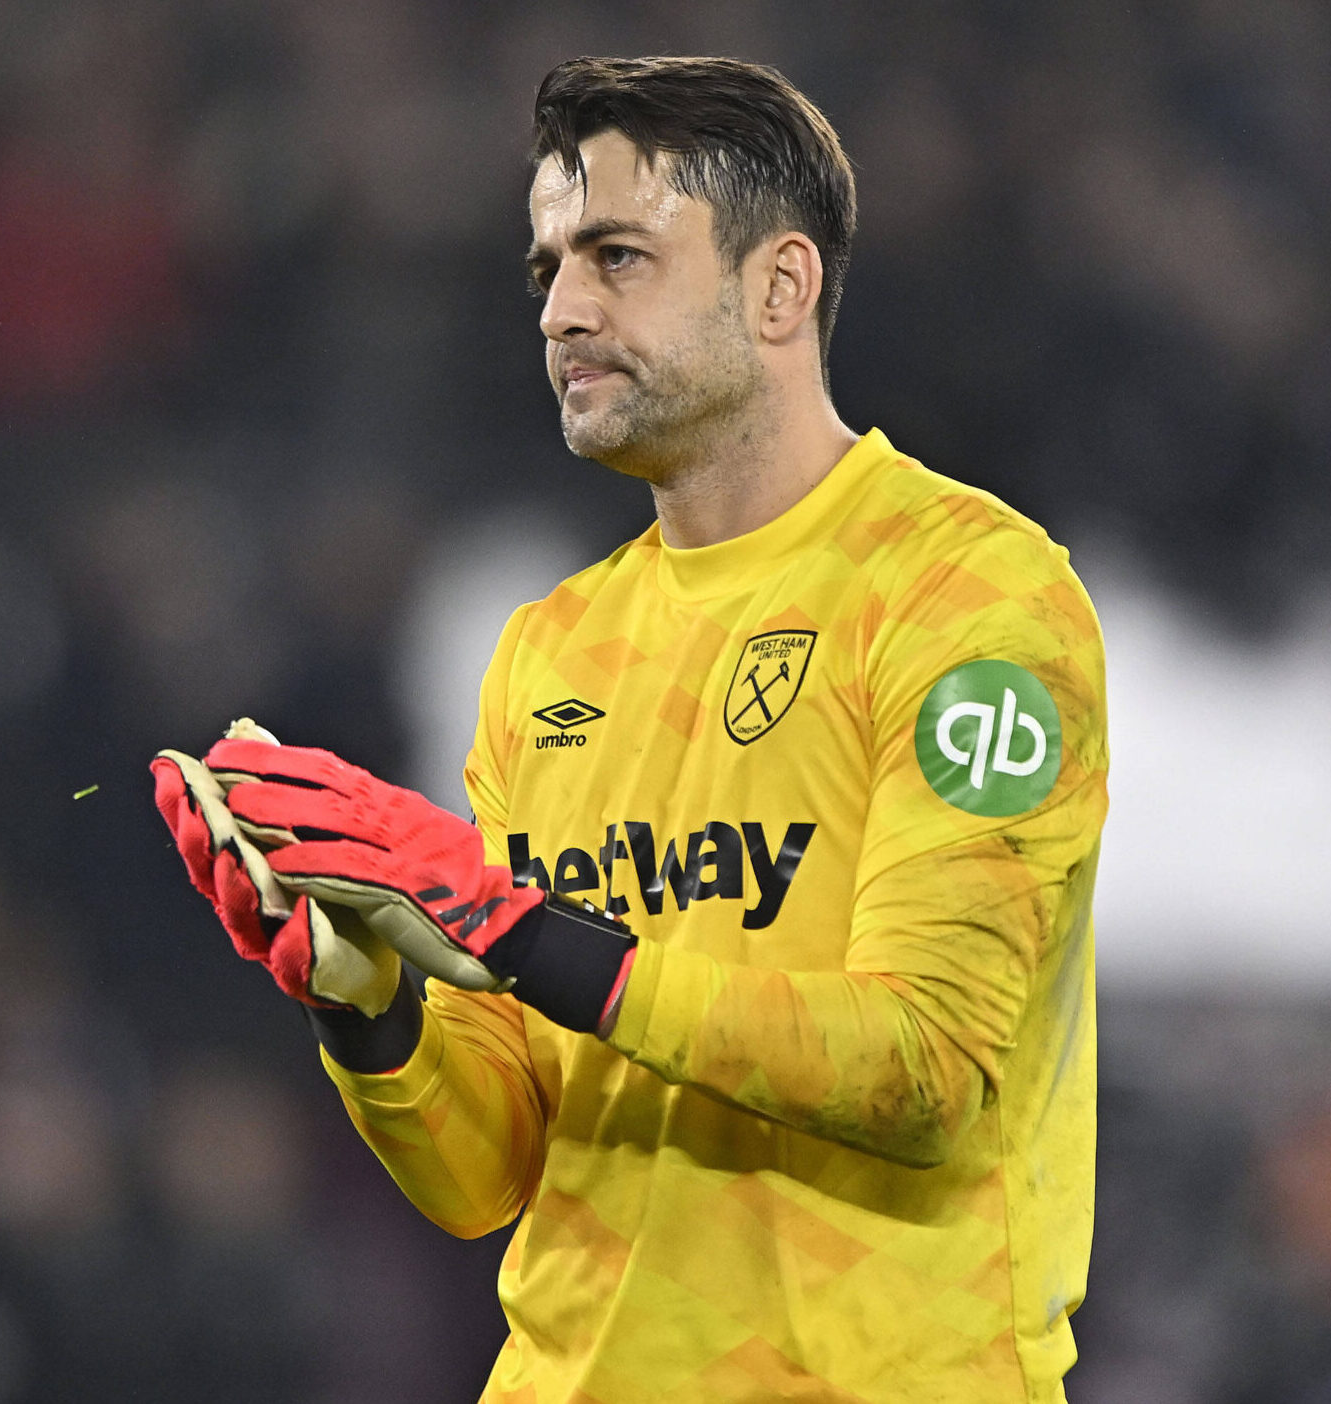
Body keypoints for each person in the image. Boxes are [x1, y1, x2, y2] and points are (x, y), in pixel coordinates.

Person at [151, 56, 1110, 1403]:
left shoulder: (972, 598)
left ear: (780, 287)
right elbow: (490, 1173)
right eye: (546, 265)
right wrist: (367, 1000)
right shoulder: (551, 652)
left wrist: (511, 929)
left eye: (617, 257)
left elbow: (927, 1068)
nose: (562, 309)